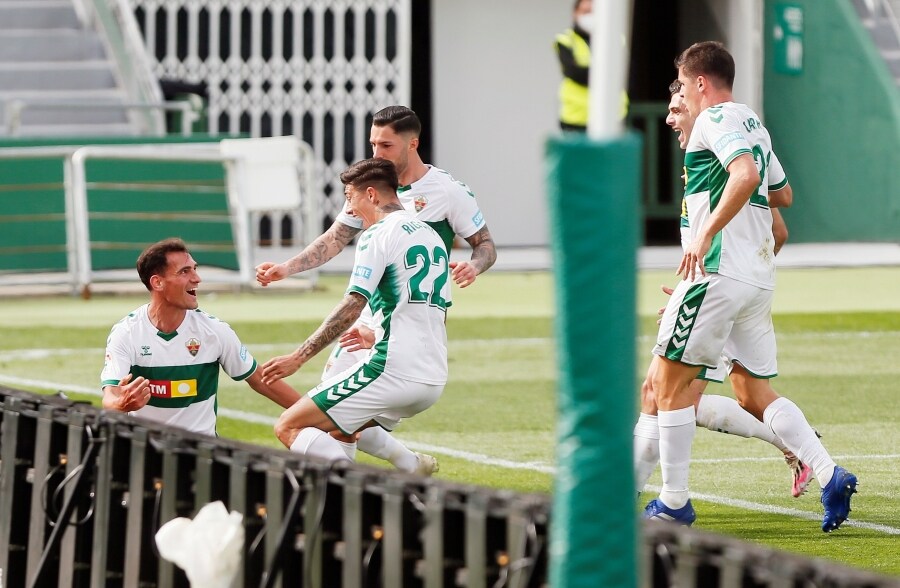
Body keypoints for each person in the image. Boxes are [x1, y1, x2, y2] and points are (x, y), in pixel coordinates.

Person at [643, 42, 857, 533]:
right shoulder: (751, 123)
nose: (682, 106)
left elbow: (747, 174)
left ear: (699, 83)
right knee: (752, 390)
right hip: (756, 280)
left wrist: (707, 232)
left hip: (717, 273)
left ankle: (673, 501)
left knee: (665, 388)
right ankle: (829, 473)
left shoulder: (716, 119)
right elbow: (781, 193)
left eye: (684, 85)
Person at [255, 105, 496, 474]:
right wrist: (287, 268)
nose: (376, 153)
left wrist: (473, 265)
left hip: (398, 331)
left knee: (303, 422)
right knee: (343, 422)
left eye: (385, 145)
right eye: (373, 144)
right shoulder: (384, 199)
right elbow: (336, 237)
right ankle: (409, 465)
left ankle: (349, 495)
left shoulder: (445, 192)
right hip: (398, 334)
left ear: (412, 143)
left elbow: (485, 244)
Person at [633, 80, 812, 499]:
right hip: (717, 289)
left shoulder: (723, 145)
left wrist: (724, 289)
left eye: (677, 108)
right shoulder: (705, 166)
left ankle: (659, 499)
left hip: (722, 292)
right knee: (672, 397)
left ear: (699, 101)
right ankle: (792, 445)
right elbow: (773, 221)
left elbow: (776, 227)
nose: (670, 118)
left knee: (663, 394)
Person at [261, 158, 451, 464]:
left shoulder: (378, 235)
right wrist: (377, 333)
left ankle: (351, 501)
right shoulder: (431, 236)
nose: (349, 209)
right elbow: (434, 312)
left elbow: (352, 305)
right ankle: (411, 466)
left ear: (372, 195)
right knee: (343, 428)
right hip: (433, 377)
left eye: (351, 198)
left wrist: (298, 357)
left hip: (393, 370)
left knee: (290, 425)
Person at [100, 238, 301, 436]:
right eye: (185, 271)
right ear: (157, 282)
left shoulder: (215, 331)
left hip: (202, 454)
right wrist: (120, 404)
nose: (197, 278)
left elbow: (260, 379)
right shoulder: (126, 333)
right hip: (147, 452)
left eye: (195, 269)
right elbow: (110, 397)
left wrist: (318, 414)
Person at [554, 0, 628, 132]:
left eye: (593, 12)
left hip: (612, 116)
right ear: (575, 13)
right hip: (575, 118)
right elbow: (574, 73)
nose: (590, 16)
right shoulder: (566, 40)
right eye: (585, 12)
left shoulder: (616, 39)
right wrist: (606, 72)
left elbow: (624, 71)